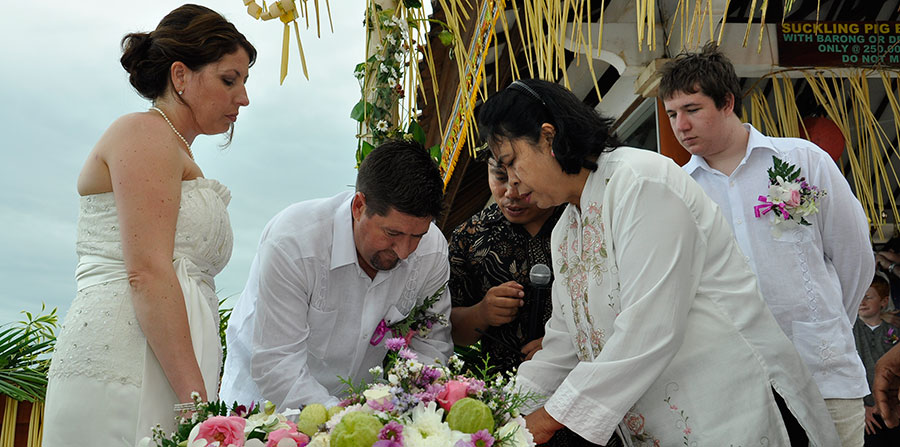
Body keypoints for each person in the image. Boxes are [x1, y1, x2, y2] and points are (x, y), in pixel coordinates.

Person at [477, 78, 839, 446]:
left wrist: (547, 420)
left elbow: (649, 328)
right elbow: (564, 346)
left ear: (548, 138)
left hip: (733, 411)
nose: (512, 184)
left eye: (512, 163)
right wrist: (493, 413)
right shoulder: (567, 229)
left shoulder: (640, 182)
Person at [42, 5, 255, 445]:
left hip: (167, 356)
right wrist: (199, 404)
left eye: (245, 82)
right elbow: (147, 271)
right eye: (229, 79)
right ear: (180, 76)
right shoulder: (145, 134)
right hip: (127, 359)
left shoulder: (174, 147)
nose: (243, 98)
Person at [660, 42, 874, 446]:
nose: (680, 126)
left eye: (692, 109)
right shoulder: (680, 191)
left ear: (727, 102)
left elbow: (855, 255)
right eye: (672, 114)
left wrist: (826, 325)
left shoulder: (801, 160)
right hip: (737, 386)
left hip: (822, 369)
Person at [220, 140, 454, 410]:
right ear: (358, 206)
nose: (404, 251)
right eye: (392, 234)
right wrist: (343, 420)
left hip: (365, 417)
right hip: (267, 409)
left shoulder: (431, 249)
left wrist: (407, 407)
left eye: (416, 236)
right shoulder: (294, 244)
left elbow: (432, 343)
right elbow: (277, 363)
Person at [450, 153, 610, 447]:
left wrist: (564, 345)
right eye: (499, 178)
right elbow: (449, 332)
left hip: (589, 393)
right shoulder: (469, 237)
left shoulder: (580, 218)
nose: (511, 193)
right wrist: (480, 313)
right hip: (508, 396)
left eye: (520, 180)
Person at [853, 275, 900, 445]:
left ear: (884, 301)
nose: (862, 302)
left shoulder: (892, 332)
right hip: (865, 413)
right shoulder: (849, 331)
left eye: (868, 297)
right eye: (859, 296)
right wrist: (861, 407)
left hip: (892, 407)